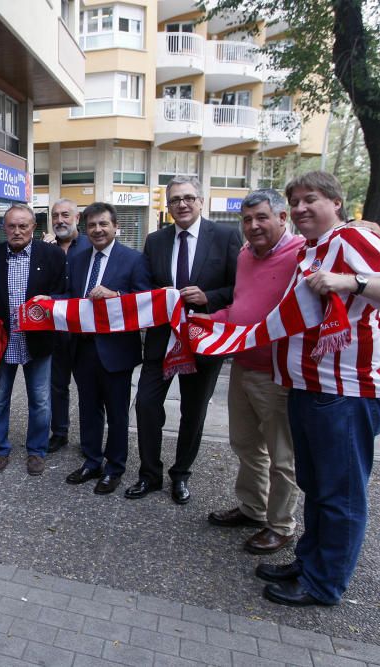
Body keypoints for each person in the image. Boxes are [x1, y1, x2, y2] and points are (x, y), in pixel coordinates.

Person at [256, 171, 380, 607]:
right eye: (295, 202)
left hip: (346, 394)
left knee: (339, 494)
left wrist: (352, 282)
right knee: (317, 485)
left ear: (336, 202)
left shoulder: (351, 240)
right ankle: (311, 561)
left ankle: (324, 583)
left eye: (311, 199)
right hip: (309, 390)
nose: (300, 208)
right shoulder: (313, 249)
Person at [196, 189, 303, 553]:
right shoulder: (244, 256)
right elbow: (242, 307)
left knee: (281, 454)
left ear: (282, 218)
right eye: (247, 219)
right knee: (244, 443)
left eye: (261, 218)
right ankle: (254, 508)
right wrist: (208, 322)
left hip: (278, 372)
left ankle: (282, 524)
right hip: (241, 365)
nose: (253, 226)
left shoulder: (301, 254)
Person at [127, 175, 242, 504]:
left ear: (201, 201)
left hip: (204, 340)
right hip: (163, 338)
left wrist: (208, 297)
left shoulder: (224, 236)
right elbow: (145, 288)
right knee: (146, 405)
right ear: (168, 204)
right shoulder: (155, 240)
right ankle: (150, 474)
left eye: (189, 197)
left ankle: (181, 475)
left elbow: (238, 288)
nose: (182, 204)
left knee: (193, 412)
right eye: (175, 199)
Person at [63, 203, 151, 494]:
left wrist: (116, 296)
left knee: (117, 413)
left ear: (115, 227)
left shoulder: (134, 259)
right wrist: (45, 301)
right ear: (85, 228)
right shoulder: (76, 260)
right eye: (92, 225)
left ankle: (114, 468)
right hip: (83, 348)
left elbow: (143, 300)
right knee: (88, 409)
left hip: (116, 351)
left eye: (103, 224)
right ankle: (92, 461)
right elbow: (69, 299)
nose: (97, 230)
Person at [0, 204, 66, 475]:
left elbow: (66, 294)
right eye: (12, 226)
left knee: (40, 400)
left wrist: (51, 300)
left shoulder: (52, 255)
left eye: (23, 226)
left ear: (34, 228)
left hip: (38, 341)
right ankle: (0, 449)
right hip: (2, 341)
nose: (17, 231)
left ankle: (36, 451)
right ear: (3, 228)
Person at [46, 199, 90, 453]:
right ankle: (59, 432)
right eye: (55, 215)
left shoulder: (89, 246)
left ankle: (88, 438)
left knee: (87, 387)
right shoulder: (46, 248)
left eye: (65, 215)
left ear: (77, 217)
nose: (60, 220)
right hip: (55, 329)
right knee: (56, 385)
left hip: (83, 329)